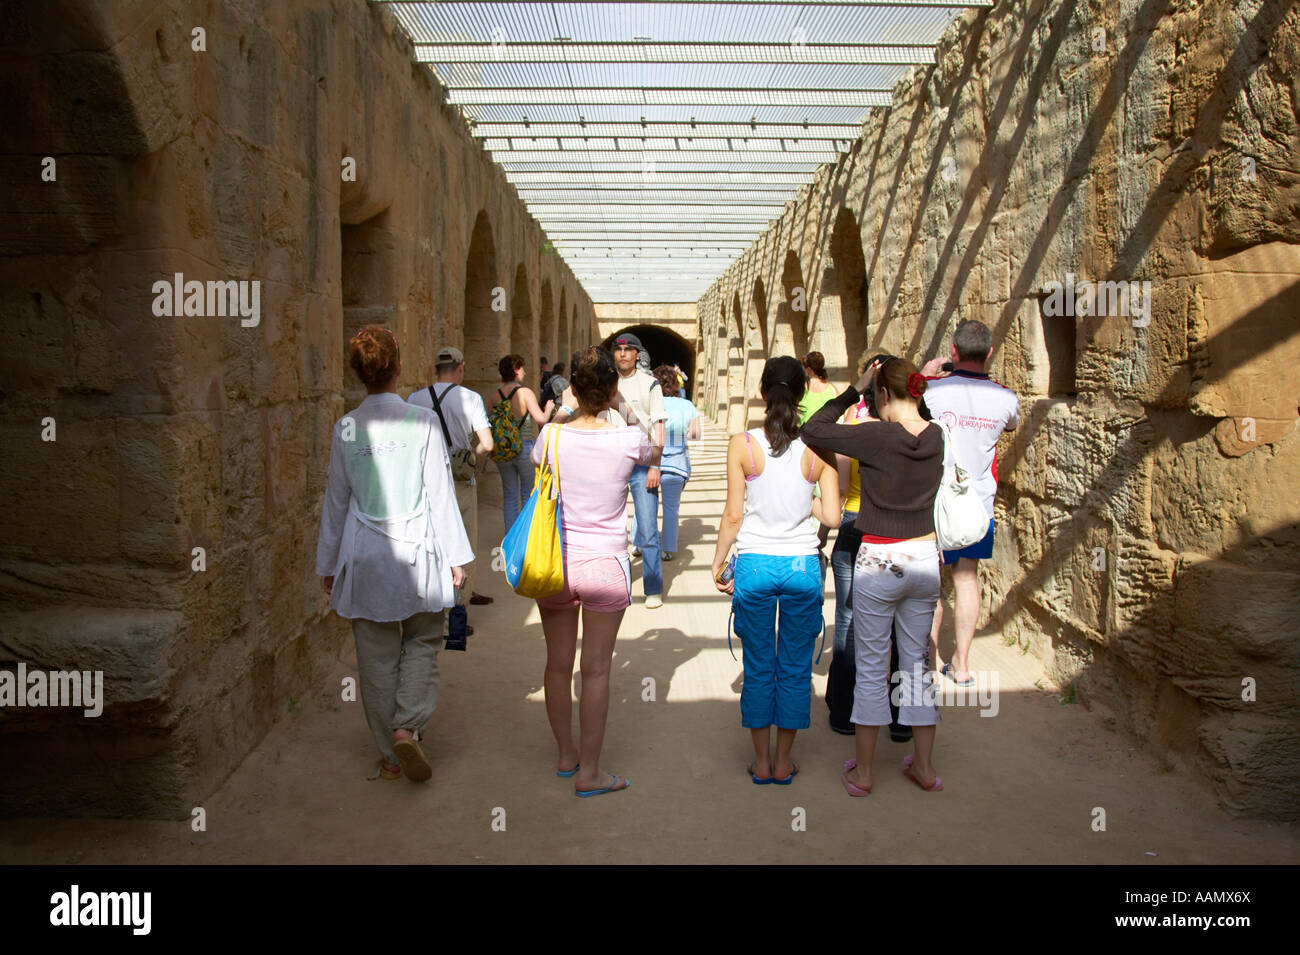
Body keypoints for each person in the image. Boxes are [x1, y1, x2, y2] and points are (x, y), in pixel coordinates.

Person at [316, 326, 473, 783]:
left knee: (375, 656)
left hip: (365, 556)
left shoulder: (345, 426)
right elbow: (439, 494)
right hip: (418, 552)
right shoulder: (422, 422)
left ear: (359, 373)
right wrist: (456, 557)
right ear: (399, 367)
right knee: (423, 640)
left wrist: (328, 566)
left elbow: (335, 501)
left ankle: (388, 753)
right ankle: (408, 727)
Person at [802, 356, 945, 796]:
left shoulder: (876, 435)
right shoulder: (937, 435)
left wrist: (854, 389)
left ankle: (864, 774)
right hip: (924, 556)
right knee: (917, 666)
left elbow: (814, 429)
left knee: (870, 665)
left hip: (879, 559)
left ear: (880, 394)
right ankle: (923, 768)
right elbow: (925, 415)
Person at [533, 347, 657, 797]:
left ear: (574, 390)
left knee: (557, 665)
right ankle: (591, 773)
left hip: (557, 563)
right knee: (597, 670)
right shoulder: (624, 439)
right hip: (605, 563)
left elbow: (539, 454)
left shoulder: (552, 437)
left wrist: (565, 407)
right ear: (610, 390)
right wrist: (621, 405)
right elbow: (650, 444)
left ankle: (567, 754)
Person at [713, 356, 840, 785]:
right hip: (802, 564)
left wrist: (717, 562)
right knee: (795, 665)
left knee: (760, 663)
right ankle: (785, 761)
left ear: (763, 392)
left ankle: (761, 762)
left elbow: (733, 515)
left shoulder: (742, 444)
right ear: (802, 394)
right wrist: (807, 504)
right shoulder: (819, 448)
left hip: (755, 563)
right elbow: (835, 516)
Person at [921, 320, 1020, 687]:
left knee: (931, 583)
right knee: (967, 579)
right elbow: (1010, 424)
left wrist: (924, 374)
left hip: (935, 502)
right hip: (978, 503)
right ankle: (961, 664)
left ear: (953, 352)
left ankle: (928, 663)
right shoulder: (1006, 397)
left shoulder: (931, 392)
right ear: (990, 352)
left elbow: (905, 407)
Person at [825, 358, 911, 744]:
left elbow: (841, 490)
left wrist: (851, 392)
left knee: (847, 617)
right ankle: (900, 715)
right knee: (899, 623)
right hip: (900, 532)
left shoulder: (854, 432)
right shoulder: (918, 434)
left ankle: (844, 709)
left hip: (855, 525)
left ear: (872, 390)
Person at [408, 345, 495, 631]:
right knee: (462, 548)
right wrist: (471, 456)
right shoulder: (470, 398)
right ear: (460, 368)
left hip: (424, 484)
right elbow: (487, 443)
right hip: (459, 482)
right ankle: (456, 623)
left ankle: (430, 613)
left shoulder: (415, 398)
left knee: (431, 546)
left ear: (435, 368)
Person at [610, 333, 668, 609]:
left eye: (628, 349)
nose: (622, 354)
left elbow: (659, 424)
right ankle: (615, 586)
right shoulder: (606, 384)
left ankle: (653, 587)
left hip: (643, 463)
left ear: (637, 354)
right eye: (619, 349)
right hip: (611, 461)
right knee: (609, 528)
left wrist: (657, 463)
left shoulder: (650, 384)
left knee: (646, 528)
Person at [494, 354, 553, 533]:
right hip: (525, 446)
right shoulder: (525, 393)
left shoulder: (494, 396)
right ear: (516, 370)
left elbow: (490, 422)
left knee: (510, 495)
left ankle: (510, 537)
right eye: (522, 368)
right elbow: (541, 420)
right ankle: (526, 537)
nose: (525, 371)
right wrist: (549, 408)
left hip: (503, 451)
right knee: (528, 493)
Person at [653, 363, 701, 562]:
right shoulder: (687, 405)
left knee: (646, 506)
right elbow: (695, 434)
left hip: (651, 463)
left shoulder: (649, 404)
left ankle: (638, 543)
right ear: (675, 383)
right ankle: (667, 549)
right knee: (671, 508)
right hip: (676, 464)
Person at [798, 351, 837, 424]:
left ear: (809, 369)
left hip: (806, 431)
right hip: (828, 430)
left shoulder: (802, 388)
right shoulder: (832, 389)